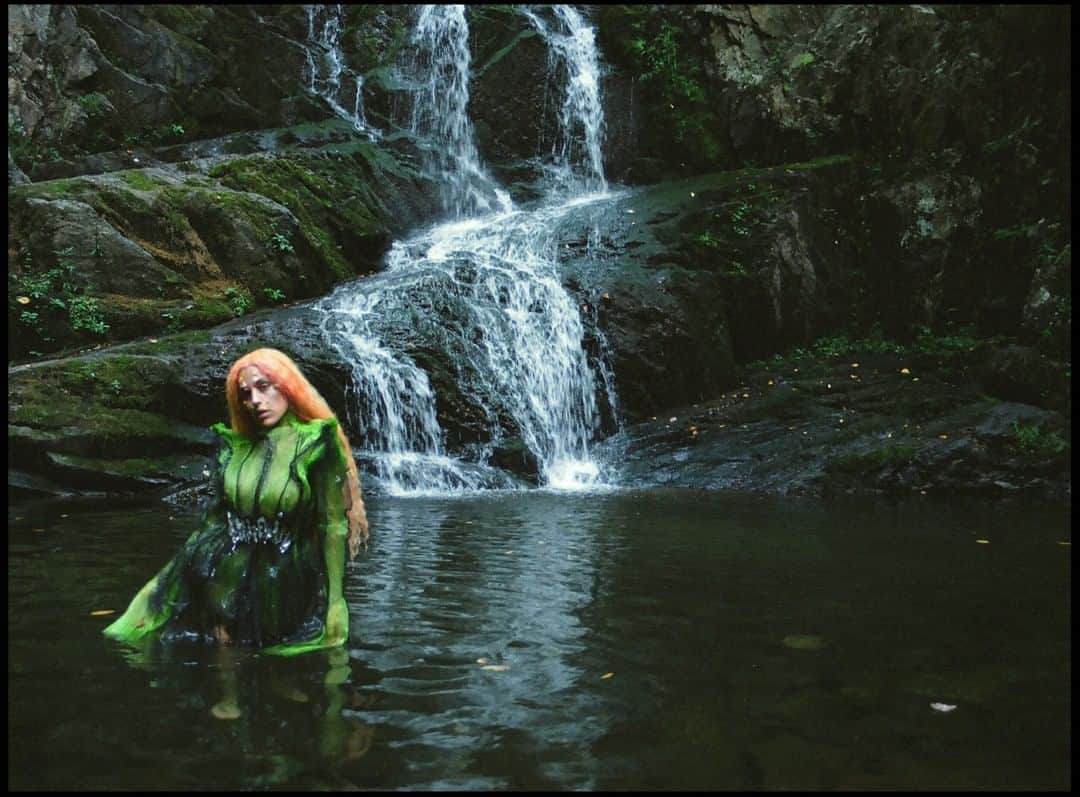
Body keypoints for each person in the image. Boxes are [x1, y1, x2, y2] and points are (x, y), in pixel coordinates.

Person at [103, 348, 369, 657]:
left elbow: (333, 525)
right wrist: (166, 581)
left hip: (287, 578)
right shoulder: (234, 448)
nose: (255, 400)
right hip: (223, 573)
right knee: (226, 669)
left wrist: (336, 601)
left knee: (286, 681)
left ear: (286, 384)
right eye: (245, 393)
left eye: (263, 386)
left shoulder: (317, 445)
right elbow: (214, 522)